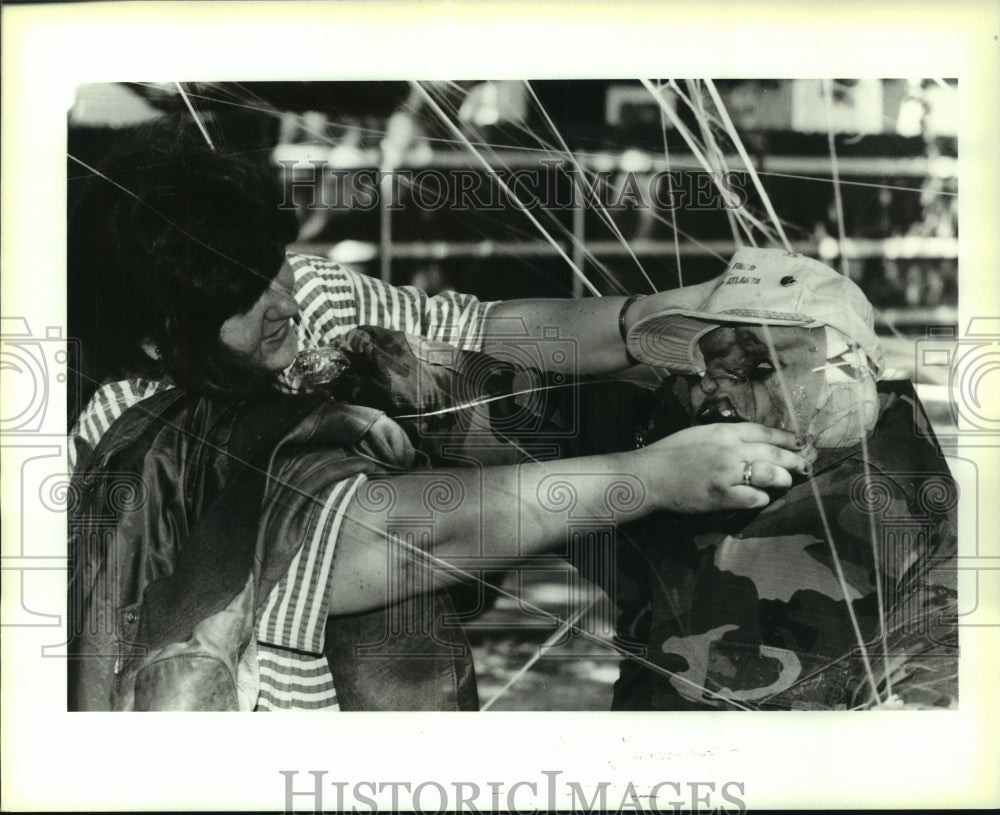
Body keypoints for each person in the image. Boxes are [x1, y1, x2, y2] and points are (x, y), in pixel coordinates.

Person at [66, 118, 811, 711]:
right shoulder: (137, 438)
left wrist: (655, 315)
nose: (285, 302)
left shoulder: (305, 301)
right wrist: (648, 478)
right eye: (244, 298)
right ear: (154, 343)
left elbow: (480, 330)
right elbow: (392, 534)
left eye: (274, 267)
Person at [608, 248, 958, 710]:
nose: (713, 390)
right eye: (703, 371)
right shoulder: (683, 435)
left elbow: (941, 668)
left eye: (760, 368)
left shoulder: (906, 507)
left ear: (849, 371)